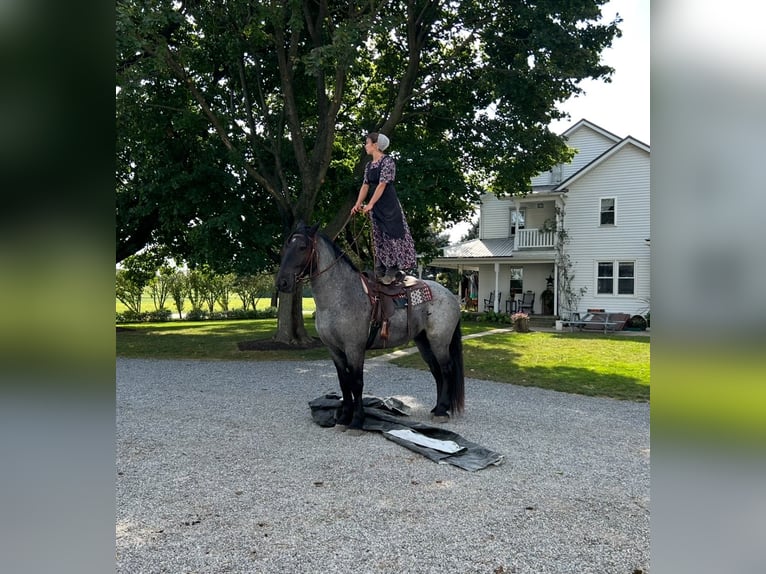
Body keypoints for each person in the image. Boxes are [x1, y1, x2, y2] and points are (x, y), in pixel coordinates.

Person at [351, 132, 417, 285]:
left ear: (375, 145)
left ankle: (393, 269)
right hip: (376, 204)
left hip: (388, 204)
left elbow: (382, 184)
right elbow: (365, 185)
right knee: (378, 235)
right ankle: (380, 267)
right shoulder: (369, 165)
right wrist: (358, 204)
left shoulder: (387, 162)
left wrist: (371, 204)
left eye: (367, 142)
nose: (365, 145)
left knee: (391, 234)